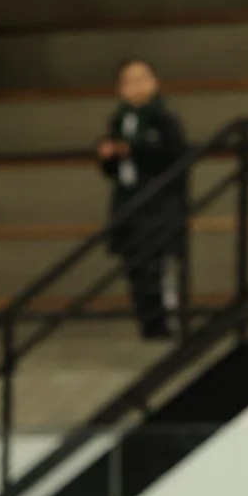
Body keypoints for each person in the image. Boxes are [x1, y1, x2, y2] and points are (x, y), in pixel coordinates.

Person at [96, 57, 189, 339]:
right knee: (135, 268)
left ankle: (165, 326)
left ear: (154, 83)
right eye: (129, 81)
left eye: (142, 79)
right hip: (128, 203)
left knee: (157, 268)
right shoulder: (118, 120)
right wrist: (108, 156)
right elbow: (114, 170)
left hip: (158, 206)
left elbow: (173, 157)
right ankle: (147, 326)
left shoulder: (165, 121)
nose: (136, 86)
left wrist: (134, 149)